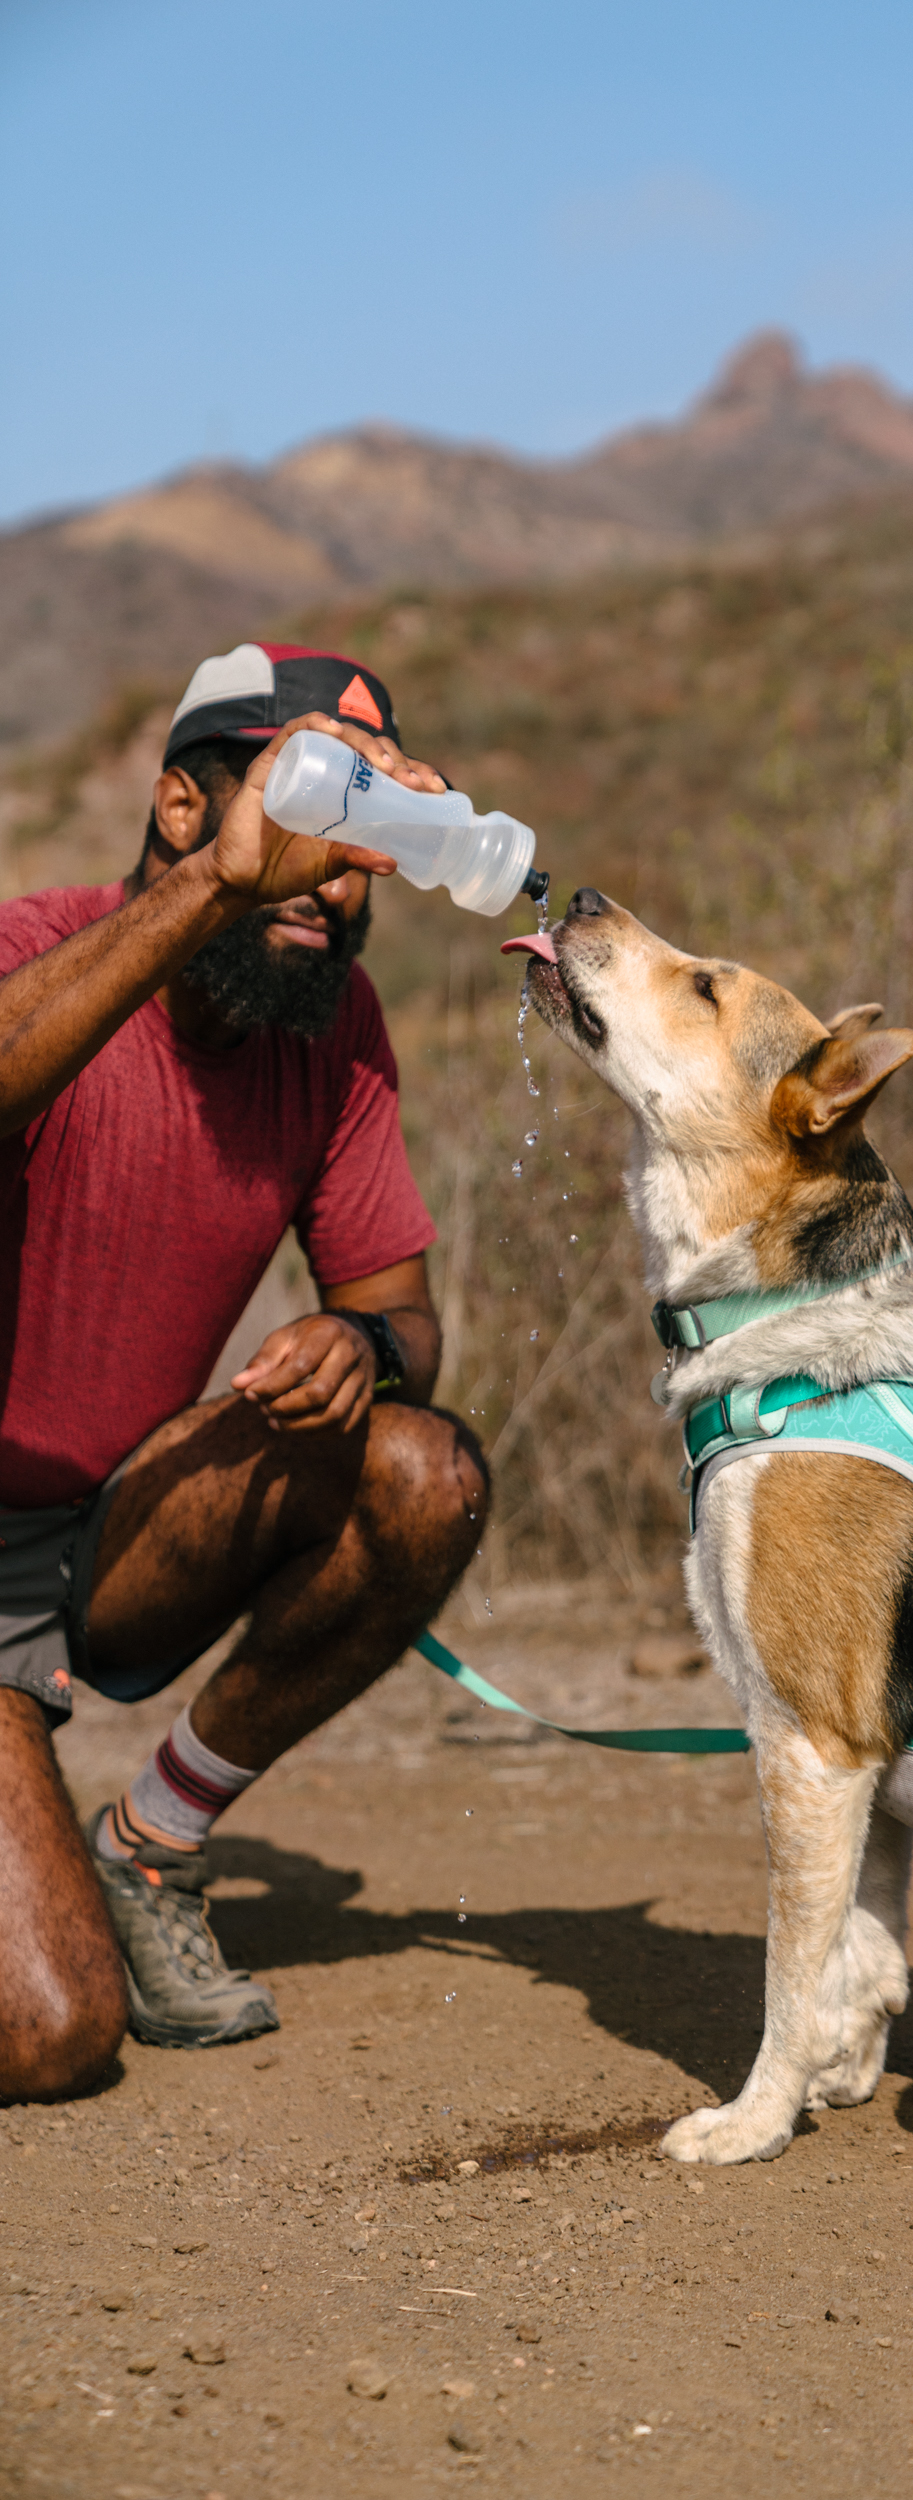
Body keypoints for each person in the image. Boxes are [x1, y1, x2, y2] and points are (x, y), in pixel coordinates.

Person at [0, 642, 489, 2099]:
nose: (333, 885)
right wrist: (223, 882)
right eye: (307, 825)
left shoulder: (334, 1035)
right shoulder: (41, 946)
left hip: (103, 1535)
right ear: (177, 807)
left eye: (368, 852)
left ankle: (150, 1848)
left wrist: (362, 1344)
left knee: (421, 1470)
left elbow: (407, 1314)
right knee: (50, 2033)